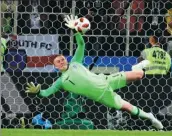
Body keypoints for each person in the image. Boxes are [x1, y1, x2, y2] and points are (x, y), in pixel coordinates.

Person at [25, 15, 163, 129]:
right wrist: (38, 92)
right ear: (55, 67)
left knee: (138, 75)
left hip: (106, 80)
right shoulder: (61, 82)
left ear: (66, 60)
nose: (61, 62)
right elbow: (46, 93)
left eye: (62, 59)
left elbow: (81, 44)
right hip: (103, 96)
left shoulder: (75, 62)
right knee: (127, 107)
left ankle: (138, 68)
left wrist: (76, 31)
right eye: (58, 62)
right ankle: (150, 116)